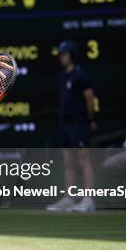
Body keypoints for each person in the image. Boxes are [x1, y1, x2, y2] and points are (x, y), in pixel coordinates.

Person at [47, 41, 96, 213]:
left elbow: (89, 99)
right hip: (66, 123)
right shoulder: (62, 76)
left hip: (80, 122)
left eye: (64, 54)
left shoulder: (81, 75)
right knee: (68, 162)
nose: (61, 58)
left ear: (71, 55)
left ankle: (88, 200)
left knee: (84, 159)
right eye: (60, 54)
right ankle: (69, 198)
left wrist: (90, 120)